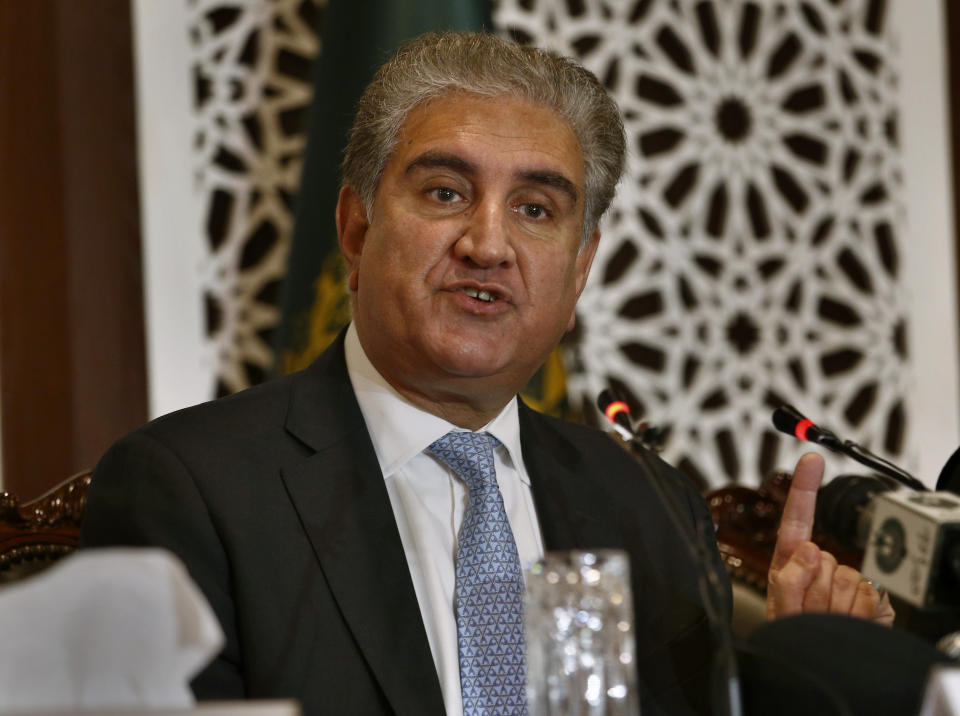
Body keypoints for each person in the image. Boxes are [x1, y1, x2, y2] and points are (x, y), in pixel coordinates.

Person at [81, 31, 892, 716]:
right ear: (356, 230)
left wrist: (801, 670)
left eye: (536, 210)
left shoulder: (646, 501)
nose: (488, 244)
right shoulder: (191, 489)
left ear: (578, 273)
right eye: (445, 192)